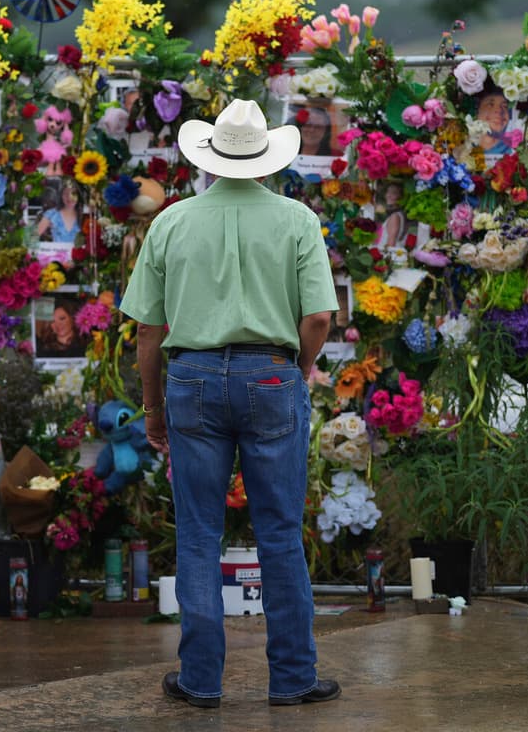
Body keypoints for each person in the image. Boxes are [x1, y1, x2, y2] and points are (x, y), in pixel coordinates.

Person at [120, 98, 340, 709]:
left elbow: (147, 331)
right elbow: (318, 316)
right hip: (271, 376)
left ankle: (200, 681)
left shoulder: (171, 221)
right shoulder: (296, 219)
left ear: (210, 158)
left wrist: (152, 408)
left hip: (190, 379)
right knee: (279, 534)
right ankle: (293, 679)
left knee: (197, 535)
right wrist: (293, 369)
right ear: (267, 157)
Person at [36, 178, 80, 245]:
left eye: (73, 193)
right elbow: (33, 237)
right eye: (65, 193)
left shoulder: (84, 214)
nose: (69, 197)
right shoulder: (50, 214)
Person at [476, 87, 513, 155]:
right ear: (477, 111)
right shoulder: (462, 146)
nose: (499, 111)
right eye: (490, 105)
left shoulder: (515, 151)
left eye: (504, 106)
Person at [379, 182, 408, 249]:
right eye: (388, 192)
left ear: (400, 197)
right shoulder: (397, 215)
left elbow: (391, 243)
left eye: (393, 193)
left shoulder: (395, 217)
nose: (388, 195)